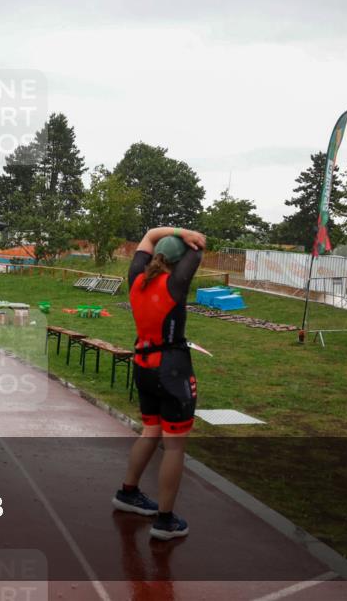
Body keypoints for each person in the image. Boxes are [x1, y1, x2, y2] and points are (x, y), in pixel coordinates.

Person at [113, 226, 206, 541]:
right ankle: (165, 520)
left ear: (155, 256)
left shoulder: (137, 278)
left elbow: (151, 234)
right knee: (174, 445)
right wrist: (193, 238)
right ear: (179, 261)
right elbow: (199, 248)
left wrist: (181, 232)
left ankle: (128, 492)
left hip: (143, 365)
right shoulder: (176, 285)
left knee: (150, 430)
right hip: (172, 369)